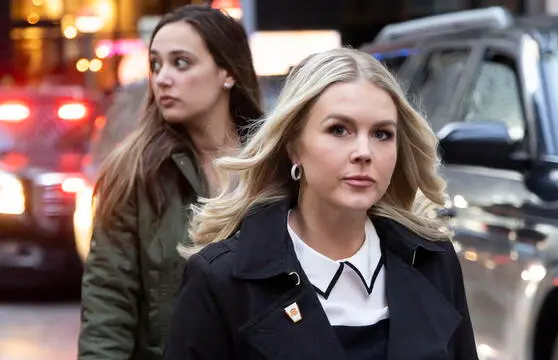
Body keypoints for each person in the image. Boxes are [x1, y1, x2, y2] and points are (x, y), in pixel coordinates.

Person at [164, 47, 478, 360]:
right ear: (294, 148)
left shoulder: (432, 260)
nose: (363, 152)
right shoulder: (221, 278)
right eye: (339, 130)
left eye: (382, 134)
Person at [78, 5, 262, 360]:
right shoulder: (135, 172)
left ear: (227, 72)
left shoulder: (275, 168)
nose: (162, 78)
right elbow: (108, 302)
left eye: (181, 63)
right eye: (156, 64)